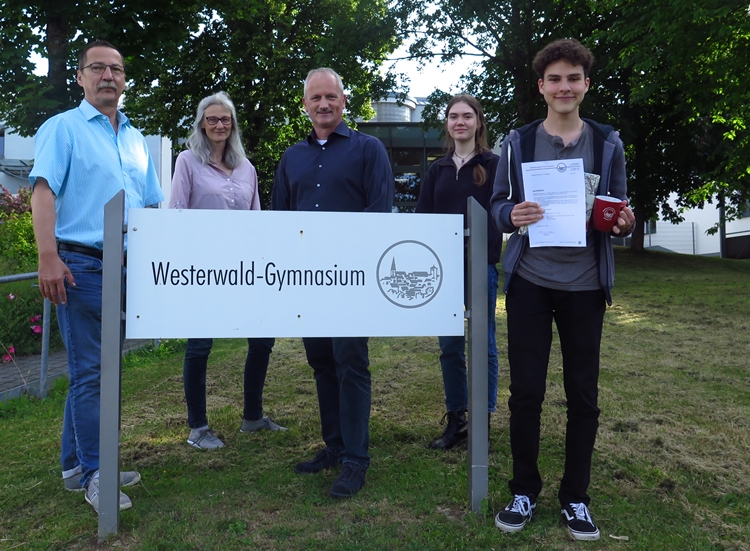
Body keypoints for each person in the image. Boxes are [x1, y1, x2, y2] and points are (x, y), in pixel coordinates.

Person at [490, 39, 635, 541]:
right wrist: (511, 214)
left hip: (585, 285)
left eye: (573, 78)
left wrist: (622, 224)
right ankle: (524, 489)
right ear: (541, 87)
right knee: (526, 392)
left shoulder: (607, 142)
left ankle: (575, 498)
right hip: (531, 281)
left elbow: (618, 210)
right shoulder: (518, 142)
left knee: (583, 396)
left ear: (586, 85)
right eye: (554, 79)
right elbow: (498, 205)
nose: (564, 87)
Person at [29, 40, 164, 513]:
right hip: (80, 265)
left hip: (126, 267)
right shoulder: (62, 129)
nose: (108, 76)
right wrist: (48, 256)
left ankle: (75, 465)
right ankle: (96, 474)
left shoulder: (135, 138)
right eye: (98, 68)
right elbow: (43, 192)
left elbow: (150, 206)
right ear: (81, 77)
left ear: (124, 80)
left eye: (117, 70)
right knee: (90, 372)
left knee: (101, 370)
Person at [272, 67, 394, 497]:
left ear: (344, 100)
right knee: (321, 361)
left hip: (350, 279)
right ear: (305, 105)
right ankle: (334, 446)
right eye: (315, 98)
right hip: (308, 280)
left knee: (350, 361)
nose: (323, 104)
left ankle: (357, 459)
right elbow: (280, 221)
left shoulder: (369, 149)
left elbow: (380, 213)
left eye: (331, 97)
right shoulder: (292, 158)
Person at [168, 91, 286, 450]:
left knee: (263, 339)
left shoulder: (246, 167)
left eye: (225, 119)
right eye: (212, 119)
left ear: (232, 124)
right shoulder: (187, 161)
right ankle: (198, 428)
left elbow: (256, 220)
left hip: (245, 269)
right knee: (200, 345)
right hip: (203, 269)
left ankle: (253, 417)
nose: (219, 125)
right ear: (202, 124)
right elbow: (176, 214)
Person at [415, 95, 502, 450]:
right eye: (453, 116)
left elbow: (504, 212)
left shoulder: (496, 165)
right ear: (447, 124)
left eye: (467, 116)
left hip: (481, 267)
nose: (460, 122)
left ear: (478, 122)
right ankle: (457, 419)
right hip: (444, 269)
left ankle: (482, 421)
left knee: (485, 345)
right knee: (450, 347)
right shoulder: (437, 169)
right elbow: (423, 221)